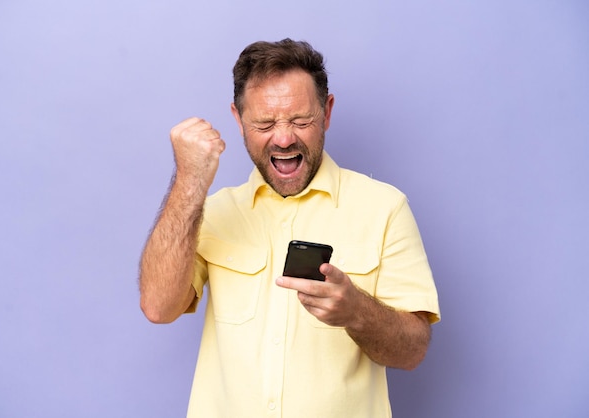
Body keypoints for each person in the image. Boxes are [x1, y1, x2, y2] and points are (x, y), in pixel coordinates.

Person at [139, 38, 440, 418]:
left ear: (327, 112)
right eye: (264, 123)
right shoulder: (210, 212)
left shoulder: (384, 208)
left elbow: (412, 352)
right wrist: (189, 181)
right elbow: (158, 307)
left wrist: (356, 311)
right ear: (238, 119)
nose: (284, 138)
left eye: (301, 120)